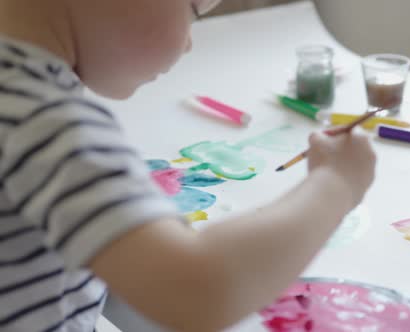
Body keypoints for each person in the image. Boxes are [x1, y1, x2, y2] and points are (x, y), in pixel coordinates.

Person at [0, 0, 376, 331]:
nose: (187, 44)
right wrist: (337, 183)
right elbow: (199, 290)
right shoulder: (44, 120)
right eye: (193, 11)